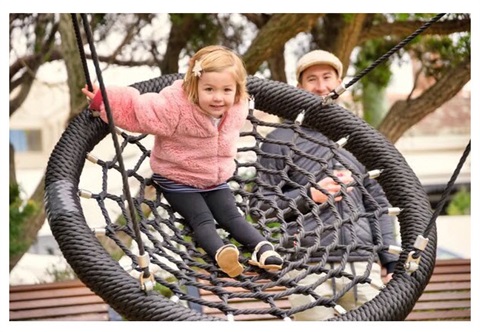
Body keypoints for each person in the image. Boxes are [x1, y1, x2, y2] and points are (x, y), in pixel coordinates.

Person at [81, 45, 283, 278]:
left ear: (237, 90)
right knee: (202, 219)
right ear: (193, 86)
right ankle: (221, 252)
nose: (218, 97)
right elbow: (139, 111)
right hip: (177, 179)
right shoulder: (175, 108)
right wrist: (103, 100)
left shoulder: (238, 105)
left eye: (226, 90)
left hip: (215, 180)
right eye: (209, 89)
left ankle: (263, 249)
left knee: (233, 216)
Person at [250, 50, 399, 320]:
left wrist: (389, 258)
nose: (321, 86)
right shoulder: (279, 139)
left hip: (363, 266)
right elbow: (260, 207)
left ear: (340, 82)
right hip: (307, 268)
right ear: (299, 87)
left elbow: (379, 204)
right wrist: (309, 196)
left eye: (328, 77)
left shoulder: (361, 137)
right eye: (312, 79)